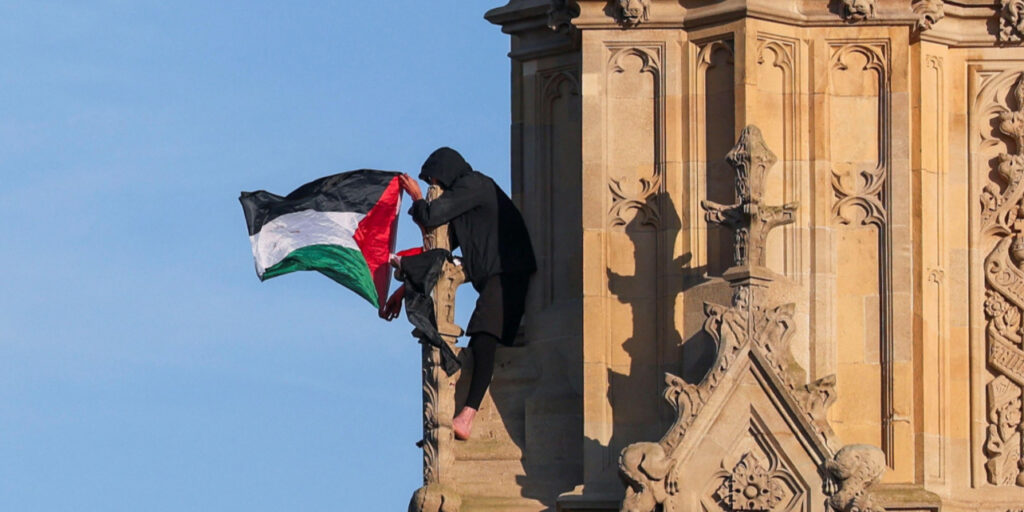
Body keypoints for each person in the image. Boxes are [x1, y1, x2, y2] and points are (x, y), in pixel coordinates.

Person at [380, 147, 536, 440]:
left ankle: (467, 416)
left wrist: (416, 196)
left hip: (508, 273)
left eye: (434, 179)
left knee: (484, 338)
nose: (433, 187)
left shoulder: (473, 184)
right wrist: (402, 291)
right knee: (486, 338)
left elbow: (432, 215)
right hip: (499, 274)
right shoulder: (467, 201)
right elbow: (440, 253)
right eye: (428, 183)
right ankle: (468, 411)